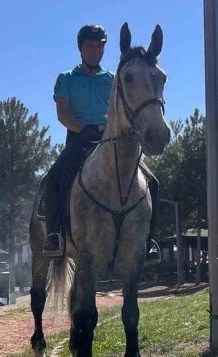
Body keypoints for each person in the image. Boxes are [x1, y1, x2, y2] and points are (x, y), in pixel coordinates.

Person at [40, 25, 160, 264]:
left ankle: (148, 242)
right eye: (90, 47)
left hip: (111, 139)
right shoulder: (66, 78)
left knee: (153, 183)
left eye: (100, 47)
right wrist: (83, 129)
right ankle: (55, 235)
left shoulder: (112, 79)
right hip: (80, 139)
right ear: (80, 48)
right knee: (52, 179)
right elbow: (63, 114)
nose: (95, 52)